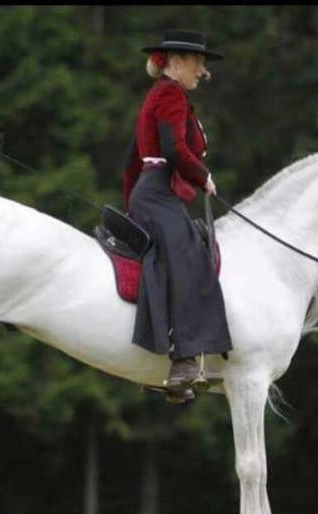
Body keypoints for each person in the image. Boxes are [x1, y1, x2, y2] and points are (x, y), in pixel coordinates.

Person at [122, 30, 233, 401]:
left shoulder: (162, 96)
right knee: (188, 256)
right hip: (157, 193)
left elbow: (130, 159)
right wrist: (204, 178)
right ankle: (185, 361)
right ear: (178, 61)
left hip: (154, 193)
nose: (202, 71)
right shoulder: (169, 93)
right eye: (198, 63)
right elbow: (172, 149)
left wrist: (131, 202)